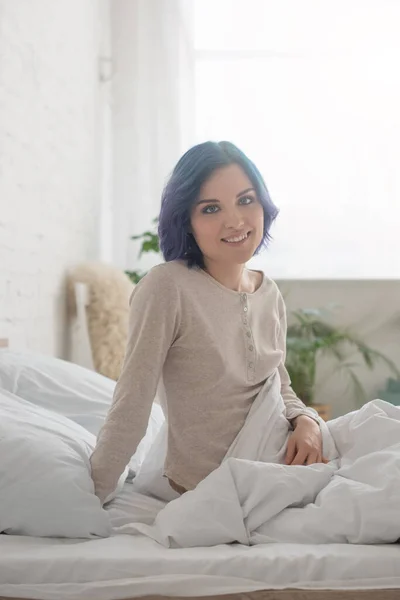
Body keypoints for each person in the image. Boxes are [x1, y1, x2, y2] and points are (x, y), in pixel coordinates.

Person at [90, 141, 323, 503]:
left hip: (285, 456)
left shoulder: (269, 292)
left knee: (385, 430)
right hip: (222, 484)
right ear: (187, 220)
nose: (235, 220)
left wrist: (307, 422)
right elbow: (132, 402)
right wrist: (89, 496)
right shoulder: (166, 287)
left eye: (246, 200)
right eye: (211, 208)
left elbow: (279, 384)